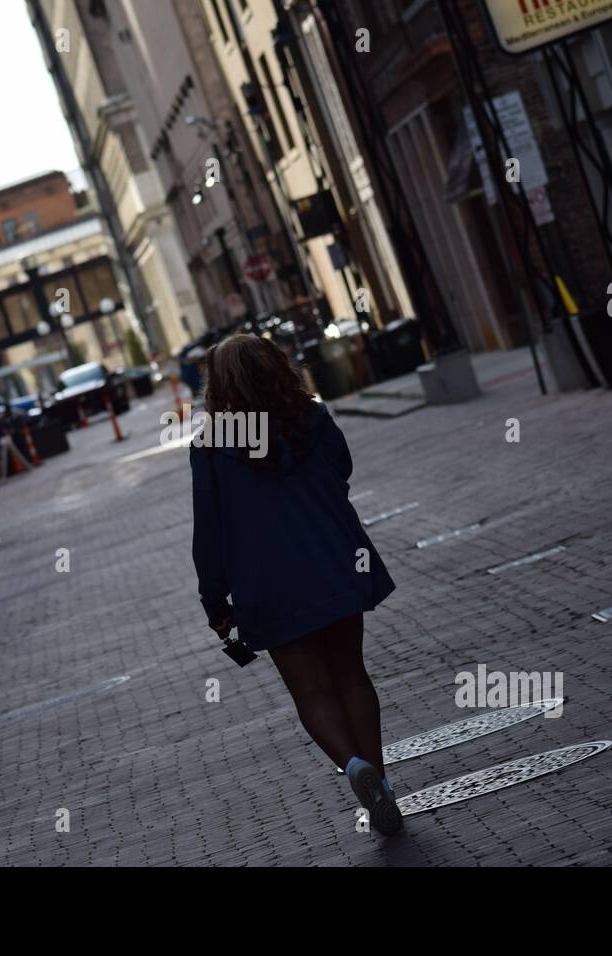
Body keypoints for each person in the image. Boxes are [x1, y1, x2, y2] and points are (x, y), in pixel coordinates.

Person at [189, 333, 401, 835]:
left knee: (311, 692)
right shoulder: (312, 418)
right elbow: (341, 472)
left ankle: (354, 768)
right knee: (352, 675)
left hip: (267, 583)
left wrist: (214, 599)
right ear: (276, 367)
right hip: (333, 560)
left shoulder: (211, 444)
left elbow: (209, 528)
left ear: (219, 386)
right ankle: (383, 786)